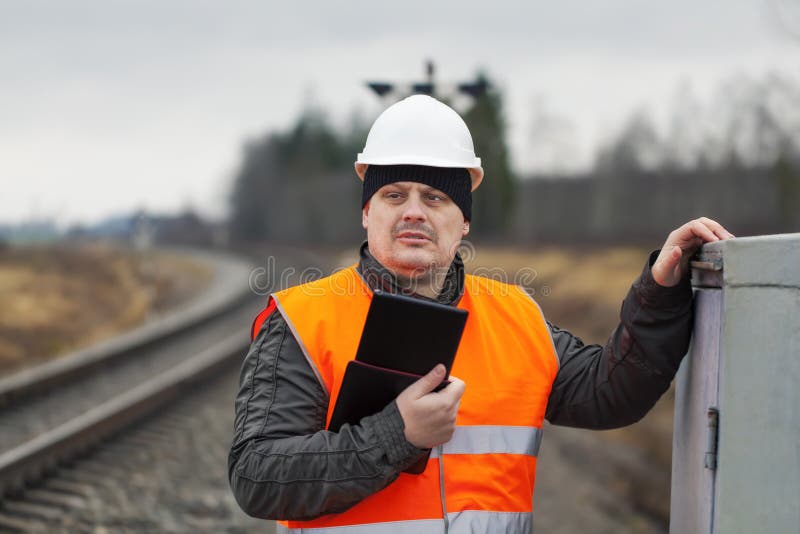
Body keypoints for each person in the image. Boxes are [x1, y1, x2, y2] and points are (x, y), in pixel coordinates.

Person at [228, 95, 734, 533]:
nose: (413, 211)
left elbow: (612, 392)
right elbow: (257, 476)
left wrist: (661, 288)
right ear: (366, 212)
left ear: (464, 220)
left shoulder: (515, 317)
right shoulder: (302, 321)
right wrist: (394, 435)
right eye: (393, 195)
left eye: (434, 197)